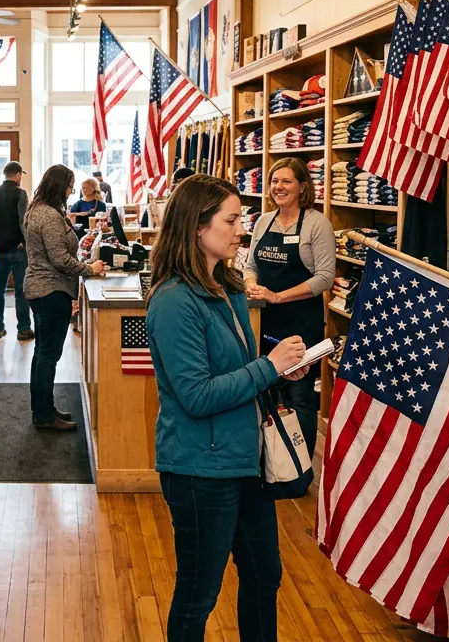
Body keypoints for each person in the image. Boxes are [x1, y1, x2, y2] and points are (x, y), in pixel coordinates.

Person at [145, 174, 310, 641]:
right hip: (200, 469)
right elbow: (196, 395)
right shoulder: (175, 301)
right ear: (198, 227)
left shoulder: (226, 286)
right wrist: (266, 368)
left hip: (244, 459)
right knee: (198, 594)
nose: (242, 230)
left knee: (264, 574)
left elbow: (236, 369)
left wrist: (277, 370)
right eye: (232, 219)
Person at [244, 157, 334, 457]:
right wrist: (252, 284)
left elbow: (324, 278)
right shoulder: (263, 221)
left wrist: (279, 296)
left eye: (286, 181)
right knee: (263, 387)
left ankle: (300, 467)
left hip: (300, 324)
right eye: (274, 181)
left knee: (300, 395)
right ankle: (267, 462)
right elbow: (251, 264)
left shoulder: (317, 224)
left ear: (302, 186)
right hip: (264, 321)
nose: (278, 187)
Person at [23, 165, 106, 431]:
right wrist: (89, 269)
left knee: (42, 354)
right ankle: (45, 415)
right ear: (60, 186)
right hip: (51, 291)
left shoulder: (38, 210)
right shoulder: (48, 216)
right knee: (48, 355)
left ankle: (43, 408)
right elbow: (59, 259)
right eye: (70, 185)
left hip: (40, 288)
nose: (72, 190)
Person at [0, 161, 33, 341]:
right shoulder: (21, 194)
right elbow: (23, 221)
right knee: (21, 290)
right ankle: (24, 329)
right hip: (18, 250)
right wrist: (24, 242)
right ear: (18, 175)